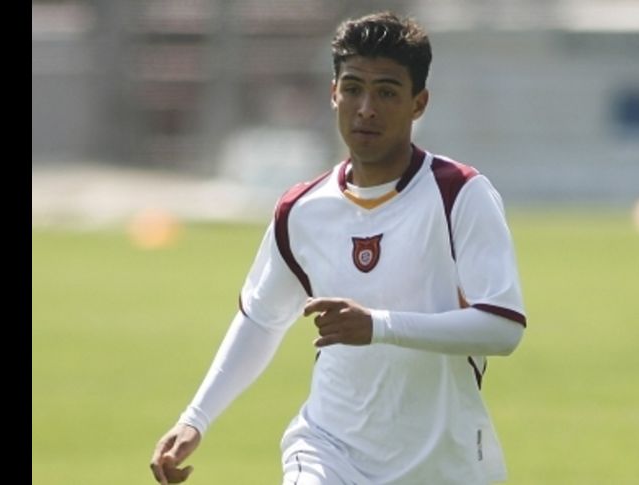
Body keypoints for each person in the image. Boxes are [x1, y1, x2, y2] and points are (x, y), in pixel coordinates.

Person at [150, 11, 526, 485]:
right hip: (329, 450)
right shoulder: (301, 209)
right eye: (352, 88)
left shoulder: (460, 194)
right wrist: (195, 417)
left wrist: (378, 326)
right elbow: (261, 320)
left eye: (387, 92)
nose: (366, 107)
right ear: (333, 93)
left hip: (443, 463)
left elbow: (502, 327)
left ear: (419, 103)